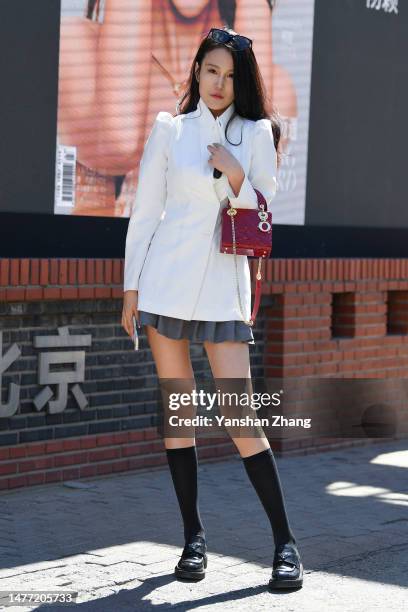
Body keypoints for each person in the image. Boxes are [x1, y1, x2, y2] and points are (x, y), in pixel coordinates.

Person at [122, 27, 303, 590]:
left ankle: (286, 543)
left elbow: (260, 211)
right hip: (165, 285)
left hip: (224, 290)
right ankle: (193, 541)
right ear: (196, 72)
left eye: (229, 74)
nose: (219, 83)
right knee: (179, 416)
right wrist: (130, 290)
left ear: (241, 80)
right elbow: (146, 212)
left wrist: (236, 171)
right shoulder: (169, 130)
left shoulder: (257, 133)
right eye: (210, 71)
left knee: (237, 415)